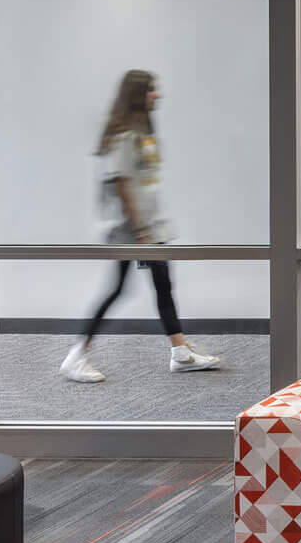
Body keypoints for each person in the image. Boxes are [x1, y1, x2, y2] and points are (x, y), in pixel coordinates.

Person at [61, 69, 223, 381]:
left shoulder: (140, 131)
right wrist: (140, 231)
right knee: (120, 288)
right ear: (138, 95)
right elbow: (121, 185)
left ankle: (180, 352)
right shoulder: (123, 136)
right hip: (133, 231)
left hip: (148, 227)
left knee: (162, 284)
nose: (157, 95)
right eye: (151, 90)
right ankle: (77, 354)